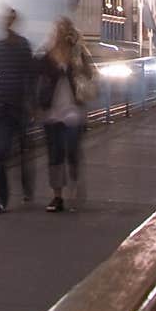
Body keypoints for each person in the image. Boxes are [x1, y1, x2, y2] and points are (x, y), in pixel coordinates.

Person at [35, 16, 97, 212]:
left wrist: (76, 54)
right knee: (55, 155)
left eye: (63, 30)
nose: (59, 33)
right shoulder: (47, 53)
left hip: (73, 111)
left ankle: (75, 182)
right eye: (57, 30)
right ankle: (57, 196)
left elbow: (90, 73)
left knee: (71, 150)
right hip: (52, 112)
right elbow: (37, 73)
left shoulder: (78, 51)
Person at [0, 7, 34, 214]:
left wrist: (31, 102)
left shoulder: (22, 46)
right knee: (1, 153)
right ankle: (0, 199)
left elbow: (30, 75)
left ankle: (25, 186)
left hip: (19, 107)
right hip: (3, 108)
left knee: (22, 152)